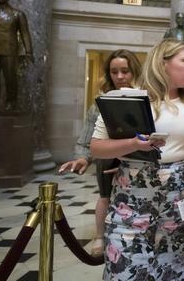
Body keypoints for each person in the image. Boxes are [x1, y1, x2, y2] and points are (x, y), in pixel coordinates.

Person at [90, 38, 184, 280]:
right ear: (163, 63)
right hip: (133, 200)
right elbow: (96, 148)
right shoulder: (125, 99)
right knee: (125, 269)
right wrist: (133, 144)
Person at [58, 49, 142, 257]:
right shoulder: (100, 102)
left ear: (134, 72)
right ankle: (100, 236)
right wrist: (82, 158)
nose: (120, 77)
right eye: (114, 72)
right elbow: (87, 137)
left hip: (137, 159)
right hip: (107, 156)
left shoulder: (146, 98)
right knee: (105, 196)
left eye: (125, 71)